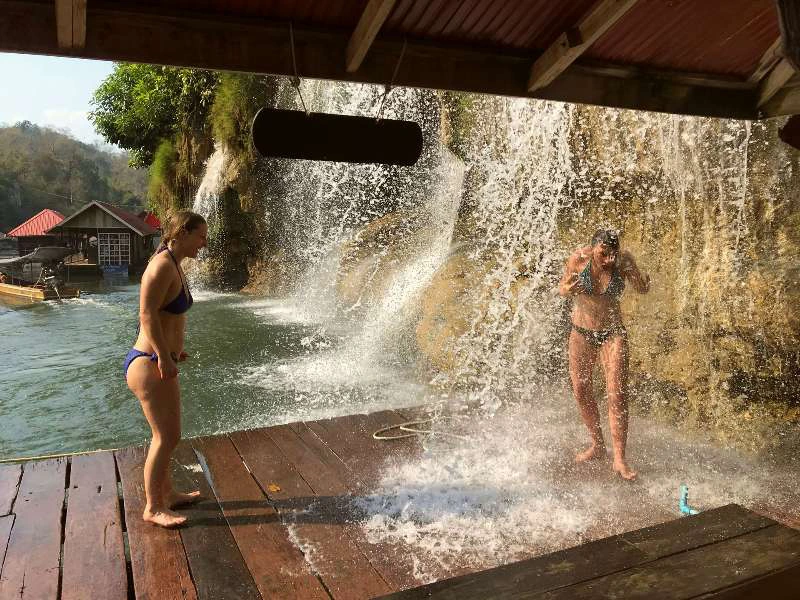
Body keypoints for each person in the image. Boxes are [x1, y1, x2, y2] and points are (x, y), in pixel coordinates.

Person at [123, 211, 207, 527]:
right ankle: (153, 507)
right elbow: (147, 316)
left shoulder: (173, 263)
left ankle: (168, 494)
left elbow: (168, 316)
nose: (204, 244)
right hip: (148, 362)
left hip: (158, 359)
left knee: (168, 435)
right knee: (166, 437)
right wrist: (164, 356)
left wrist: (174, 350)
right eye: (201, 237)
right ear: (182, 233)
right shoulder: (160, 266)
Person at [558, 229, 650, 480]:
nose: (608, 258)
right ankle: (597, 445)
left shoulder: (623, 262)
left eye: (613, 253)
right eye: (603, 253)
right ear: (592, 248)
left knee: (616, 394)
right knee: (580, 389)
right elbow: (563, 288)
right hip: (581, 331)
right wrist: (568, 288)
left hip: (612, 333)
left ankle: (619, 459)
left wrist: (641, 280)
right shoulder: (579, 259)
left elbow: (642, 289)